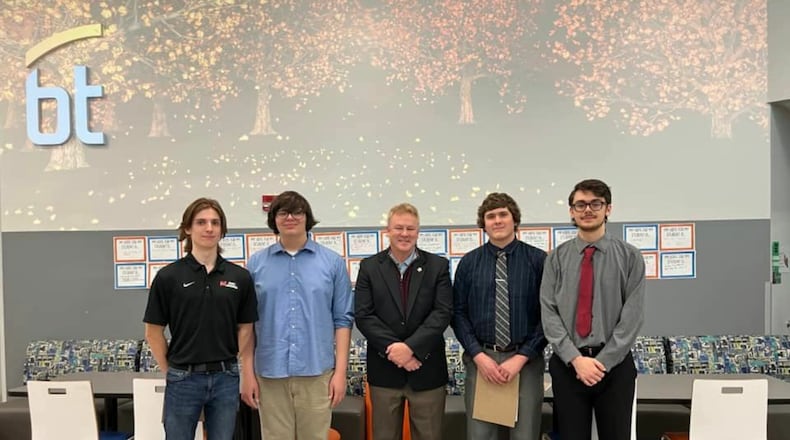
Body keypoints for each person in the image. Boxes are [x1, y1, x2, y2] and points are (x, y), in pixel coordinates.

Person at [143, 197, 258, 440]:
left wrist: (229, 359)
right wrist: (171, 370)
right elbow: (153, 332)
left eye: (215, 223)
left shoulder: (240, 277)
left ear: (222, 230)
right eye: (201, 222)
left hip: (226, 379)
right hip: (183, 378)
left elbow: (246, 327)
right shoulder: (168, 277)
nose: (209, 228)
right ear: (188, 229)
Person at [540, 178, 645, 440]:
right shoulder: (556, 258)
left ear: (608, 208)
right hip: (568, 366)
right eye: (581, 204)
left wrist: (602, 362)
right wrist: (576, 360)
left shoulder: (630, 257)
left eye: (595, 203)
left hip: (615, 367)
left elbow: (632, 317)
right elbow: (548, 312)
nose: (588, 210)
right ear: (571, 211)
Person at [246, 191, 354, 440]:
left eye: (297, 212)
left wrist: (340, 373)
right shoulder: (256, 265)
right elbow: (247, 325)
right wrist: (248, 374)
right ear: (274, 220)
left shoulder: (332, 263)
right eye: (282, 212)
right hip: (269, 374)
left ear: (307, 218)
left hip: (317, 373)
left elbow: (343, 321)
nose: (290, 217)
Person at [452, 192, 547, 440]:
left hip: (525, 362)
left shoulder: (538, 261)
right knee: (480, 435)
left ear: (514, 219)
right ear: (483, 224)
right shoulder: (469, 263)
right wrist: (479, 356)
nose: (497, 220)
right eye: (490, 216)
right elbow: (458, 313)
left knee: (524, 435)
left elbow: (549, 315)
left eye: (503, 214)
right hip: (482, 362)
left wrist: (522, 356)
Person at [355, 203, 453, 440]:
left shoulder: (437, 266)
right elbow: (364, 315)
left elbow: (442, 312)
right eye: (398, 228)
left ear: (418, 232)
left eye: (410, 228)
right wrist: (394, 350)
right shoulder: (369, 267)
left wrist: (410, 349)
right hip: (384, 370)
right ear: (387, 231)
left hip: (427, 368)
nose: (404, 234)